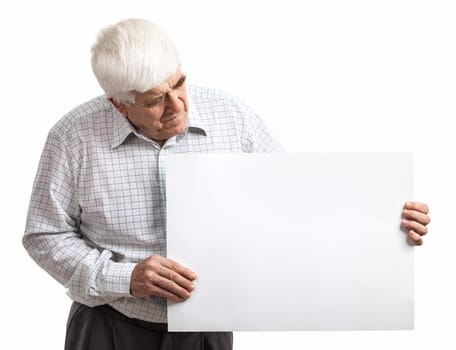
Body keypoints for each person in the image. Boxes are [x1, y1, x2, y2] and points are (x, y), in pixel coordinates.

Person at [23, 18, 431, 350]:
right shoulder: (72, 136)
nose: (177, 106)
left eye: (179, 84)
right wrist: (125, 277)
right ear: (118, 102)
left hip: (206, 332)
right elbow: (45, 235)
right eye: (154, 100)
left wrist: (383, 225)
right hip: (109, 328)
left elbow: (297, 204)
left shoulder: (233, 117)